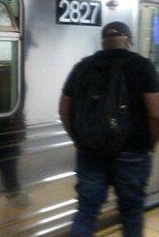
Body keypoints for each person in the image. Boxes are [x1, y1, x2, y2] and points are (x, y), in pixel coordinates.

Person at [60, 21, 159, 237]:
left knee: (86, 212)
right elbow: (154, 113)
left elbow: (64, 110)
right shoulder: (142, 66)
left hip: (90, 151)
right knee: (131, 213)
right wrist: (150, 144)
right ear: (128, 41)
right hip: (132, 153)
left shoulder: (82, 67)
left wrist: (79, 139)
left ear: (103, 43)